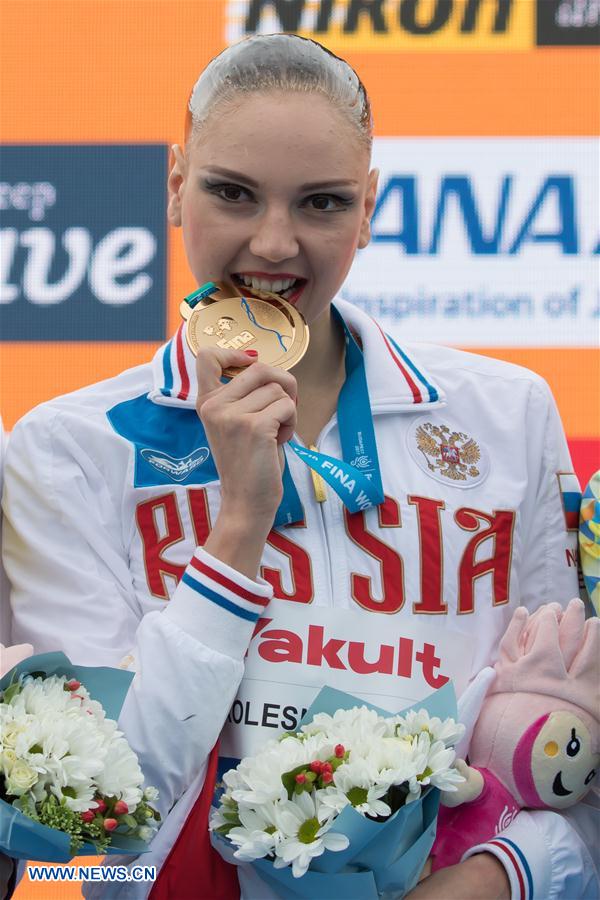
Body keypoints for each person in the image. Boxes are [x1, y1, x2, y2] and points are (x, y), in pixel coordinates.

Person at [2, 34, 597, 900]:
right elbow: (96, 814)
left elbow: (565, 740)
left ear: (369, 209)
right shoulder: (67, 448)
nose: (273, 244)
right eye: (232, 193)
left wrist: (505, 878)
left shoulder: (505, 414)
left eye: (321, 204)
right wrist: (239, 525)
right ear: (175, 186)